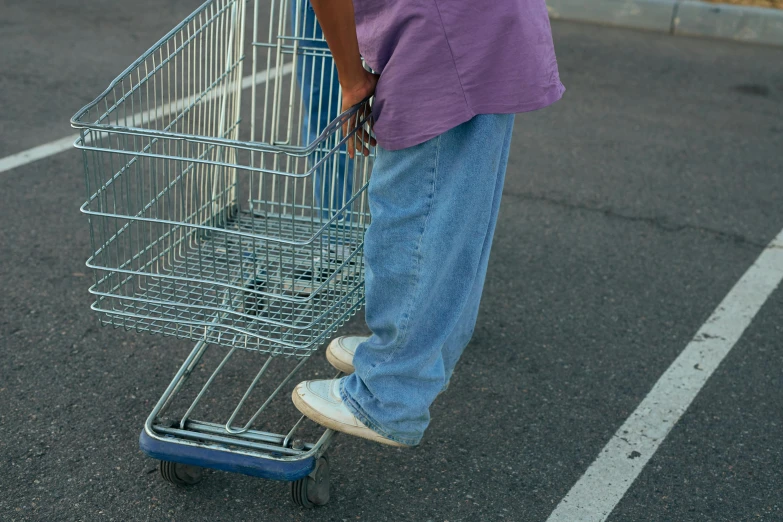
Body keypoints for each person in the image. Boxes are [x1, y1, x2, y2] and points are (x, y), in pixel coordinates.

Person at [291, 0, 565, 447]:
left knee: (415, 212)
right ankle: (417, 355)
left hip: (445, 36)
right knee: (458, 215)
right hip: (482, 25)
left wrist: (352, 79)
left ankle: (387, 395)